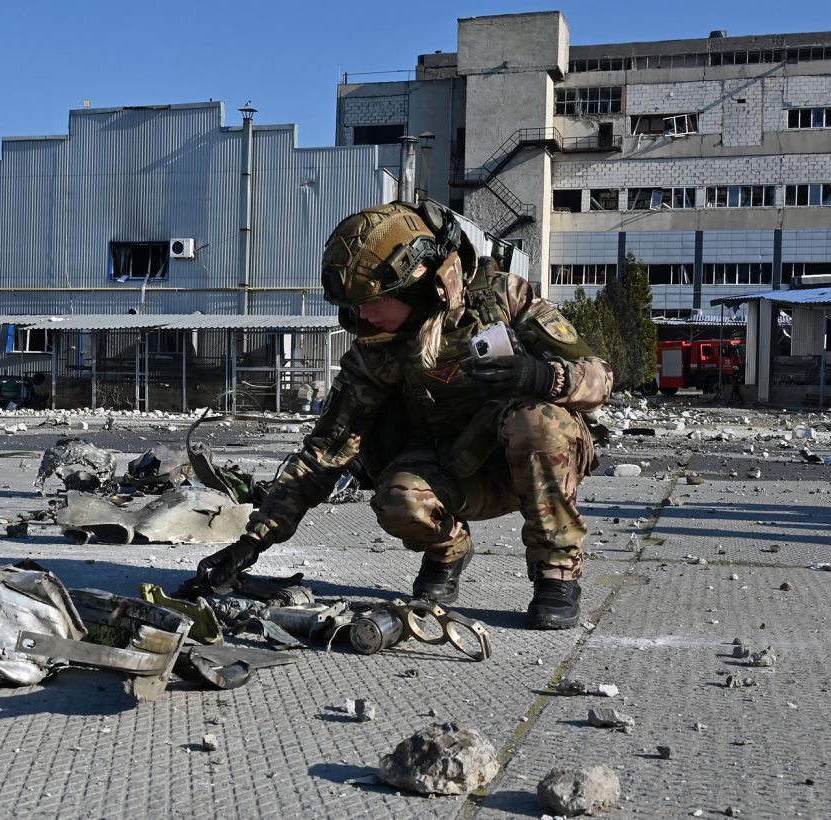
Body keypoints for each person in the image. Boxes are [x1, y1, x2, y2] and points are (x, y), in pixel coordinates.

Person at [192, 200, 613, 629]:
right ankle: (448, 550)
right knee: (398, 499)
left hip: (529, 464)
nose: (362, 314)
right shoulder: (376, 351)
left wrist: (542, 377)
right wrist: (251, 542)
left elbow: (600, 377)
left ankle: (555, 573)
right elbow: (325, 452)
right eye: (354, 305)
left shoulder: (502, 299)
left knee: (538, 422)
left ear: (418, 283)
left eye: (372, 301)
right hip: (453, 470)